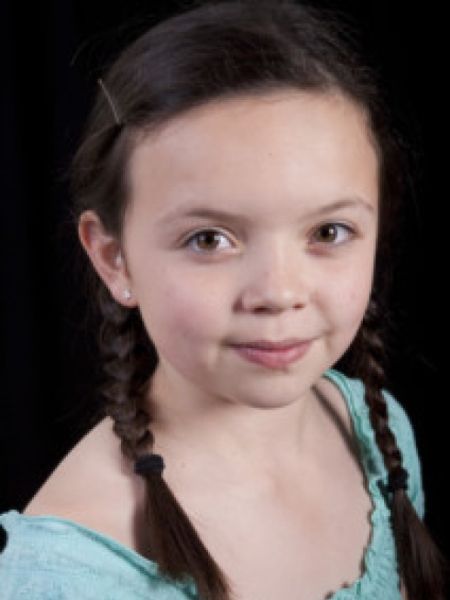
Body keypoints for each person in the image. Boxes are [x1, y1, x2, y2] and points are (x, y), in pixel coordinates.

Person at [0, 0, 447, 598]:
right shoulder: (73, 572)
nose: (279, 293)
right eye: (209, 239)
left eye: (328, 232)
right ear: (113, 258)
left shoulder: (376, 433)